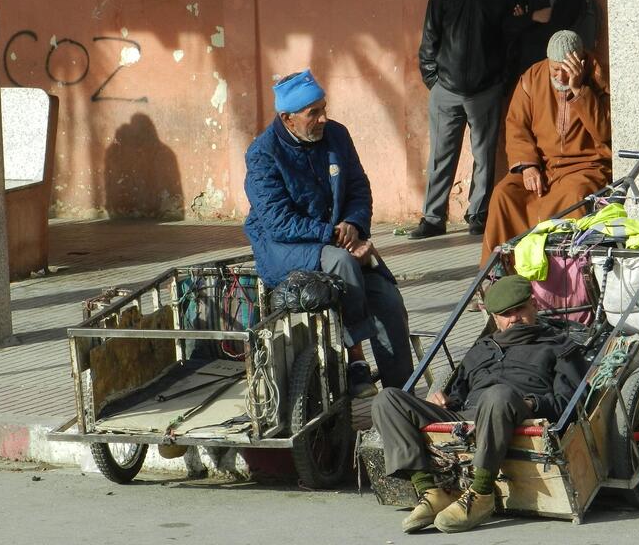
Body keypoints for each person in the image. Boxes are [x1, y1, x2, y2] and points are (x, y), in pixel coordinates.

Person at [243, 69, 414, 399]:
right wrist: (333, 235)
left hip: (336, 240)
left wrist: (354, 225)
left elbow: (358, 188)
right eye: (313, 113)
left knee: (388, 300)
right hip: (283, 248)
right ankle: (357, 359)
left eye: (323, 108)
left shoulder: (337, 135)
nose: (323, 118)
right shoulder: (263, 154)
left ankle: (403, 398)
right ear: (288, 119)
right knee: (342, 263)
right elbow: (278, 222)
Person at [371, 274, 585, 533]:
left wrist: (531, 403)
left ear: (534, 306)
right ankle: (429, 490)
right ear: (495, 319)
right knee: (388, 399)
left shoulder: (559, 346)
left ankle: (481, 493)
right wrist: (443, 398)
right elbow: (458, 395)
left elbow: (570, 403)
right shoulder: (481, 348)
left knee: (497, 395)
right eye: (506, 314)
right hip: (467, 416)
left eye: (520, 309)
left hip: (520, 412)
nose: (515, 318)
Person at [409, 0, 516, 240]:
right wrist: (433, 79)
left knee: (484, 156)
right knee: (441, 156)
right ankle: (432, 218)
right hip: (446, 89)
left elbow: (511, 44)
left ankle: (478, 215)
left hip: (486, 91)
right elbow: (430, 36)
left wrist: (500, 85)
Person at [480, 30, 611, 266]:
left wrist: (580, 89)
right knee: (504, 195)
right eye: (554, 69)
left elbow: (604, 131)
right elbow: (516, 126)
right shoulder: (532, 77)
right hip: (543, 166)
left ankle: (565, 281)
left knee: (576, 197)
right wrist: (528, 165)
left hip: (585, 168)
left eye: (566, 70)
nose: (559, 76)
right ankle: (498, 276)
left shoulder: (599, 77)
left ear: (580, 63)